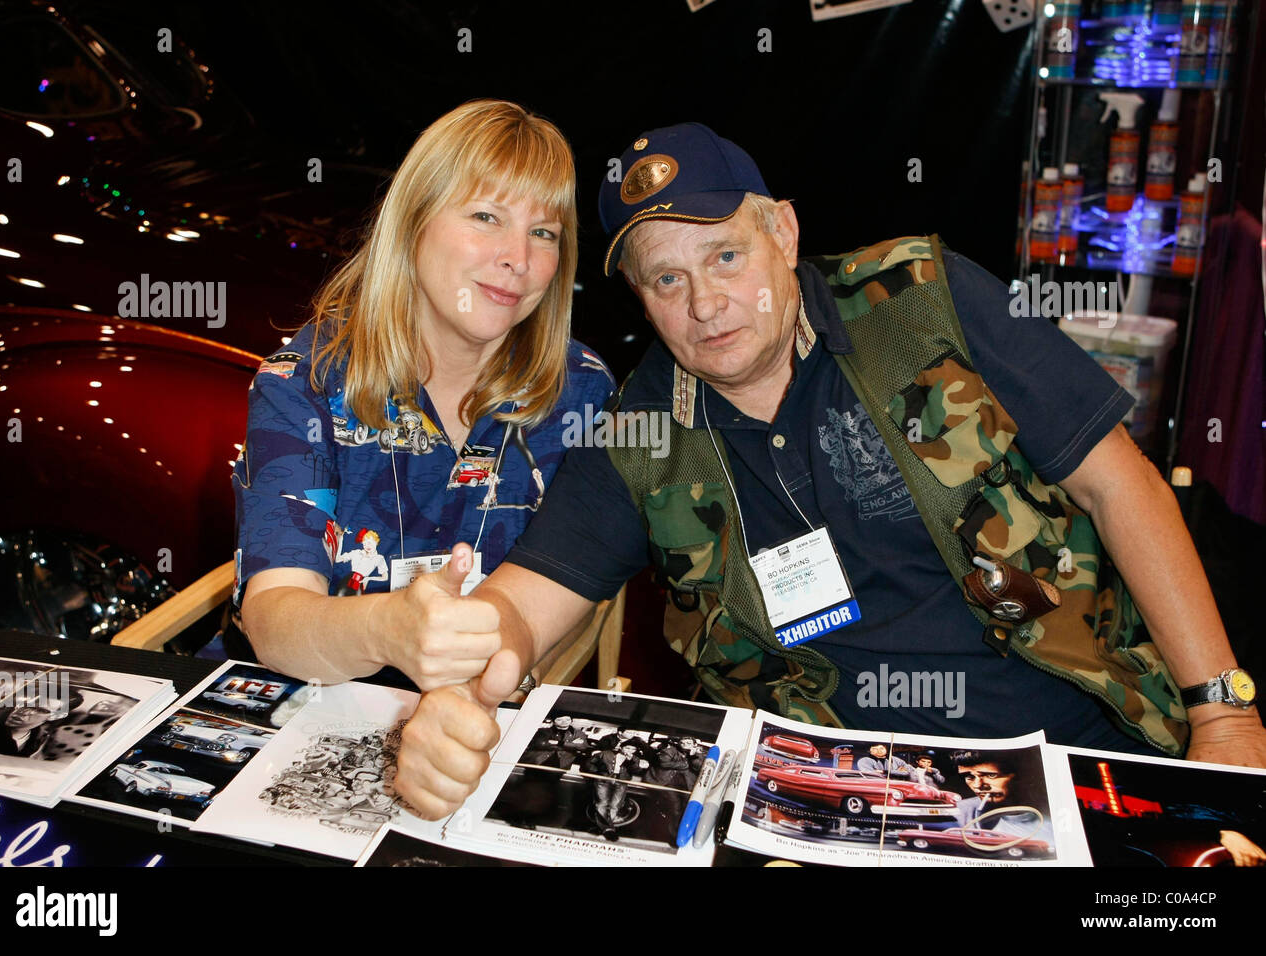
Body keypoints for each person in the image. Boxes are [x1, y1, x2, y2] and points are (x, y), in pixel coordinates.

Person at [393, 122, 1265, 820]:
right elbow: (526, 603)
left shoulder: (924, 300)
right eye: (666, 280)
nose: (704, 304)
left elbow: (1120, 485)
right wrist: (465, 685)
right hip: (826, 798)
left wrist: (1224, 710)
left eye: (726, 256)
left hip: (1068, 749)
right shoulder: (644, 426)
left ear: (782, 229)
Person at [231, 100, 614, 689]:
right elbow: (274, 618)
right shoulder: (305, 380)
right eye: (487, 217)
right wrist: (388, 629)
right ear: (413, 222)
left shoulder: (583, 395)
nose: (518, 258)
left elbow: (573, 594)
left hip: (483, 720)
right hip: (299, 709)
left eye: (543, 232)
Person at [951, 750, 1054, 847]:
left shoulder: (1051, 820)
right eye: (969, 776)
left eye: (991, 775)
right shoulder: (959, 812)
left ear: (1021, 775)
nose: (978, 785)